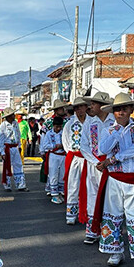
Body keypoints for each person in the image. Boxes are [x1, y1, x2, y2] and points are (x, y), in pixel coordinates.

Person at [91, 93, 134, 267]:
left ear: (131, 110)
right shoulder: (109, 130)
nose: (121, 112)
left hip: (133, 178)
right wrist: (117, 131)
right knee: (113, 215)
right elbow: (102, 149)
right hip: (114, 179)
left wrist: (113, 159)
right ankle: (116, 250)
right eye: (117, 109)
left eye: (124, 108)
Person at [80, 92, 114, 244]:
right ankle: (93, 230)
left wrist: (109, 161)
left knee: (110, 198)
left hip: (112, 165)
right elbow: (84, 145)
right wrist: (95, 162)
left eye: (94, 104)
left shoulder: (114, 121)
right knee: (92, 195)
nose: (91, 106)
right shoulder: (90, 122)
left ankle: (109, 232)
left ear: (102, 106)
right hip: (94, 164)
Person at [62, 96, 90, 225]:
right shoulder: (70, 124)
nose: (79, 110)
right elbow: (66, 141)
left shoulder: (92, 122)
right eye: (77, 108)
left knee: (90, 186)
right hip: (76, 158)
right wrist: (73, 154)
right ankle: (71, 214)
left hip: (90, 160)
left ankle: (87, 213)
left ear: (86, 107)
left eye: (81, 107)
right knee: (73, 185)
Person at [0, 107, 27, 192]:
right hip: (7, 148)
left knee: (18, 164)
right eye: (12, 115)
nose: (14, 116)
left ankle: (20, 184)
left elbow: (18, 134)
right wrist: (2, 152)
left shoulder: (15, 124)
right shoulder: (2, 126)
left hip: (15, 147)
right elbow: (0, 139)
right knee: (7, 166)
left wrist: (20, 146)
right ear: (8, 116)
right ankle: (7, 185)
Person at [39, 116, 66, 204]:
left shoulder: (64, 133)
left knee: (62, 174)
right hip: (53, 156)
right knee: (53, 174)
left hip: (63, 155)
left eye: (60, 127)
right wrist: (55, 146)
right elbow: (45, 145)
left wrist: (62, 146)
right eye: (56, 127)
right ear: (53, 125)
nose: (58, 128)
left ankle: (60, 192)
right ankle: (54, 194)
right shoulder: (49, 134)